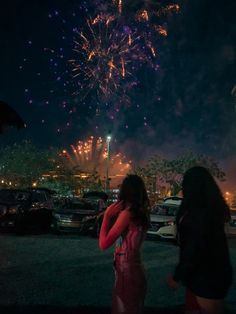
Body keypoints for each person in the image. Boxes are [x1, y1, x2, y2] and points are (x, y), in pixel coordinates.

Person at [167, 166, 233, 314]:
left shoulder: (201, 213)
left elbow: (193, 246)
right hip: (203, 275)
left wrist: (177, 276)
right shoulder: (203, 208)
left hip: (208, 277)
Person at [99, 174, 150, 314]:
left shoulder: (127, 214)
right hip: (137, 270)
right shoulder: (142, 213)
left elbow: (103, 244)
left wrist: (107, 216)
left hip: (126, 273)